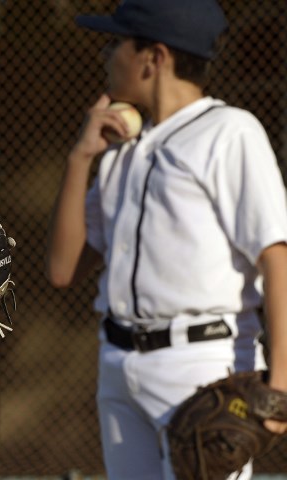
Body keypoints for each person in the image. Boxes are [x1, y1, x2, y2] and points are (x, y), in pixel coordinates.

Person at [45, 1, 287, 478]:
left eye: (117, 43)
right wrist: (80, 158)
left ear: (153, 58)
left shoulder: (229, 132)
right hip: (117, 362)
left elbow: (276, 259)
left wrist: (280, 385)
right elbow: (61, 269)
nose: (107, 54)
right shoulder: (121, 150)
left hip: (201, 365)